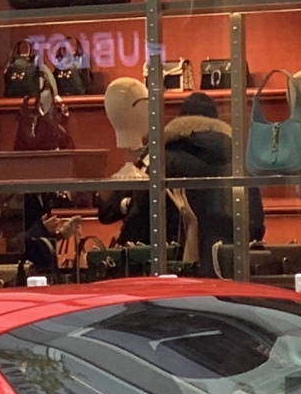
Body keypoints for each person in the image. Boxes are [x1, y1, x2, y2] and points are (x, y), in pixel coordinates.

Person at [97, 94, 262, 274]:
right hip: (227, 265)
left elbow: (140, 215)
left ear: (180, 119)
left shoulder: (162, 159)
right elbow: (256, 223)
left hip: (170, 266)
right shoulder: (239, 159)